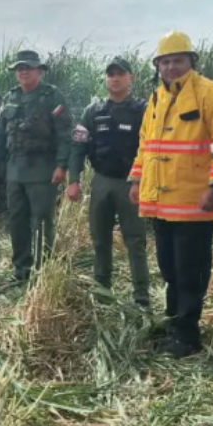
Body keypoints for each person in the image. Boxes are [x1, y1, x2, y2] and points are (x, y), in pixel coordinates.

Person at [128, 31, 213, 357]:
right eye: (165, 61)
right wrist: (136, 179)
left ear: (191, 62)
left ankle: (187, 336)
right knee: (170, 270)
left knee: (190, 271)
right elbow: (146, 144)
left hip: (193, 202)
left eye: (178, 60)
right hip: (160, 204)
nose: (171, 67)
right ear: (158, 65)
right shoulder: (156, 98)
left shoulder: (212, 94)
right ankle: (174, 323)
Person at [67, 57, 150, 307]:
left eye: (120, 74)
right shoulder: (93, 111)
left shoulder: (143, 110)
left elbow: (149, 145)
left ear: (130, 78)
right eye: (111, 74)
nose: (115, 78)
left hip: (131, 183)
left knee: (135, 240)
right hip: (101, 181)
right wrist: (74, 180)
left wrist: (140, 179)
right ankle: (103, 292)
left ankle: (142, 296)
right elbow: (78, 146)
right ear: (106, 78)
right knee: (100, 238)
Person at [0, 50, 73, 281]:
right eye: (19, 68)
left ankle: (42, 270)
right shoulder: (11, 97)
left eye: (28, 67)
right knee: (17, 220)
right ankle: (21, 269)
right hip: (15, 170)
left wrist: (62, 165)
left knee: (41, 221)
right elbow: (0, 134)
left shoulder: (52, 96)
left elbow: (65, 134)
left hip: (43, 170)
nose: (23, 71)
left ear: (39, 71)